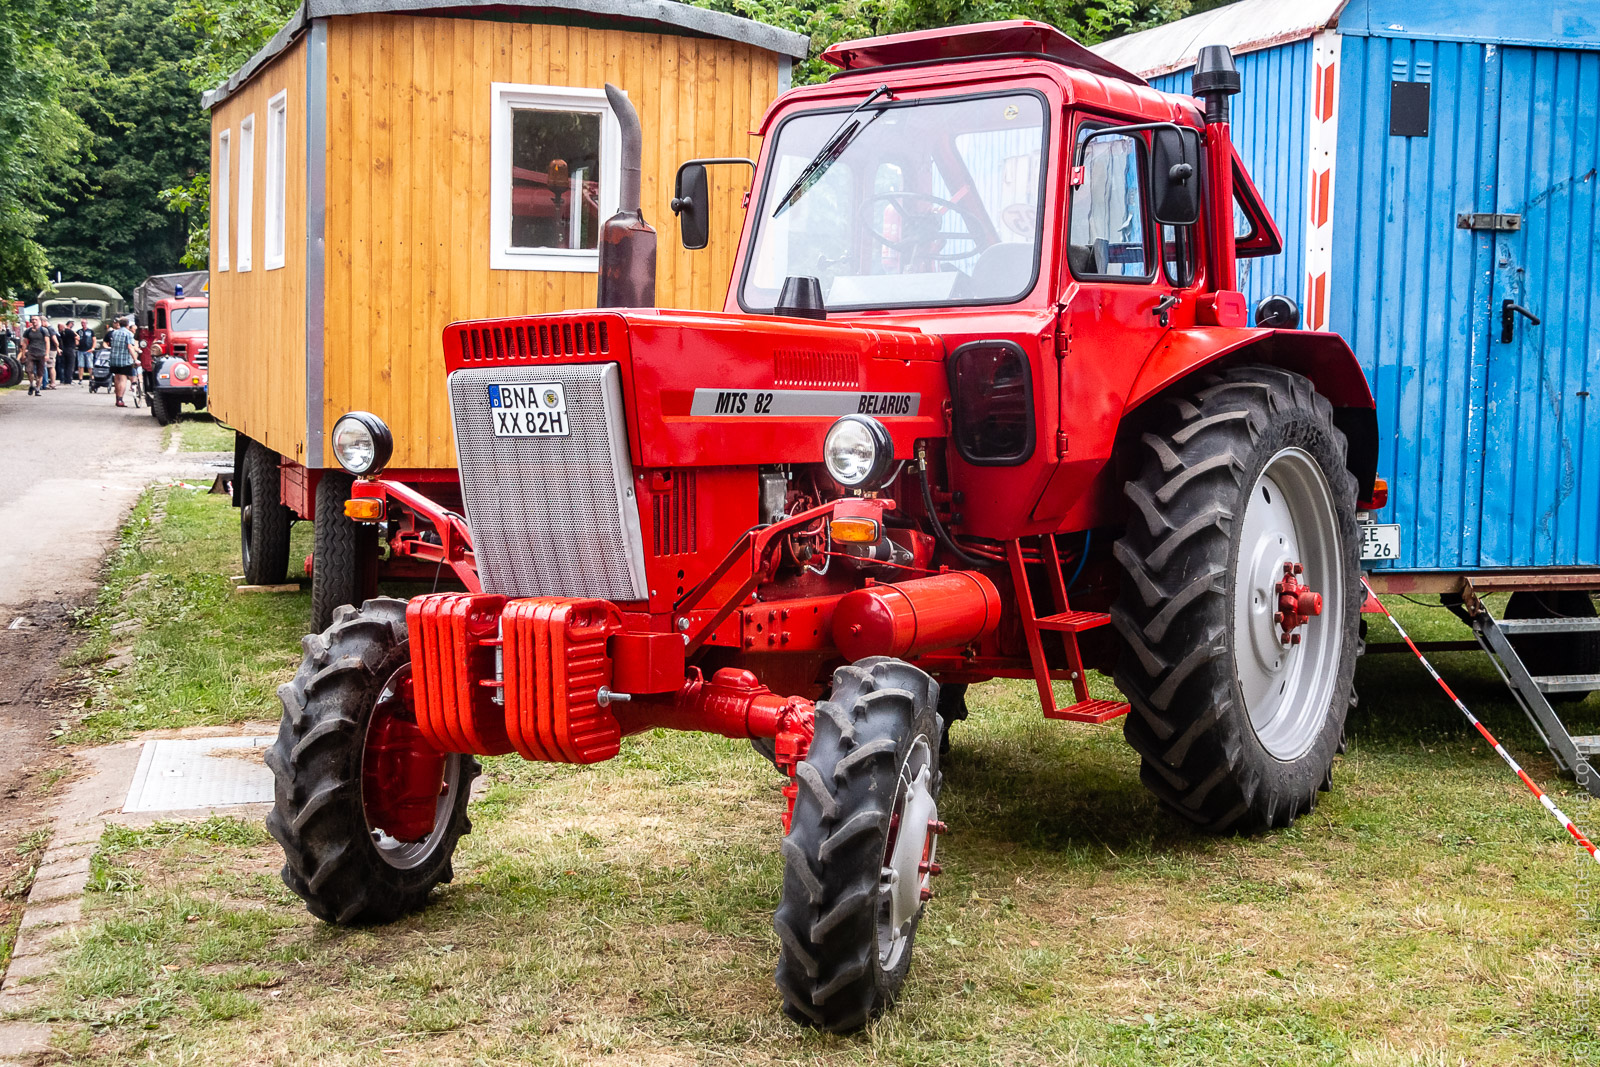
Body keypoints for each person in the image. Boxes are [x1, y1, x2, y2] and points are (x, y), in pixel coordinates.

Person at [107, 316, 137, 406]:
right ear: (128, 325)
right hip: (124, 360)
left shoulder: (114, 333)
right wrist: (135, 359)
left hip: (114, 360)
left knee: (116, 379)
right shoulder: (129, 334)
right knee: (123, 380)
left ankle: (117, 398)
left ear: (119, 324)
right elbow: (130, 347)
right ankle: (120, 400)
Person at [21, 315, 51, 396]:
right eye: (32, 319)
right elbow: (24, 343)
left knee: (40, 373)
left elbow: (47, 342)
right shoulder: (28, 331)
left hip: (41, 353)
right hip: (31, 352)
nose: (34, 321)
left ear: (39, 321)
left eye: (35, 319)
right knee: (29, 370)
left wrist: (47, 354)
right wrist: (23, 354)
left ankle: (37, 389)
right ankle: (31, 384)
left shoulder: (43, 330)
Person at [56, 320, 78, 385]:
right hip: (70, 349)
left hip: (63, 349)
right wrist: (74, 332)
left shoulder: (60, 333)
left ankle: (63, 379)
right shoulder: (70, 331)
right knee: (70, 365)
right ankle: (69, 380)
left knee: (64, 365)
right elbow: (78, 337)